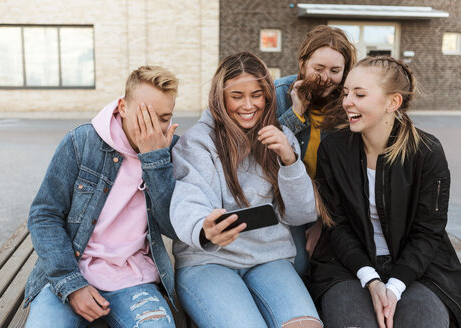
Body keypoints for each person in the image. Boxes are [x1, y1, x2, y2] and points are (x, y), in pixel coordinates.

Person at [170, 52, 322, 328]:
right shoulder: (198, 142)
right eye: (237, 96)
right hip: (208, 261)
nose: (248, 105)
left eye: (256, 94)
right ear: (220, 98)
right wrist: (204, 228)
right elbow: (188, 198)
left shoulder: (281, 138)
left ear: (267, 96)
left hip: (269, 258)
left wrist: (289, 160)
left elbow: (301, 214)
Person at [310, 56, 461, 328]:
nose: (347, 102)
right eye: (346, 93)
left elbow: (429, 230)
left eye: (360, 94)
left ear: (393, 102)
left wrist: (396, 285)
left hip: (417, 269)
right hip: (347, 266)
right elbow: (338, 226)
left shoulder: (426, 152)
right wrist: (371, 279)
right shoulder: (333, 149)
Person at [24, 66, 180, 328]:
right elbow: (44, 215)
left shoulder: (169, 150)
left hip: (133, 279)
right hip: (70, 272)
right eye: (145, 116)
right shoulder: (82, 142)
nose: (153, 129)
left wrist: (154, 161)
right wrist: (71, 284)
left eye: (163, 119)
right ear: (123, 107)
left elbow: (172, 227)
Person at [274, 25, 357, 275]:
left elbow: (348, 172)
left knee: (327, 259)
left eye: (335, 71)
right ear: (302, 63)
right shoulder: (279, 93)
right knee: (299, 263)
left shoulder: (350, 103)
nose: (324, 78)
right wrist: (295, 114)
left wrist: (323, 221)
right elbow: (266, 153)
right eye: (318, 69)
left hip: (329, 205)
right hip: (285, 201)